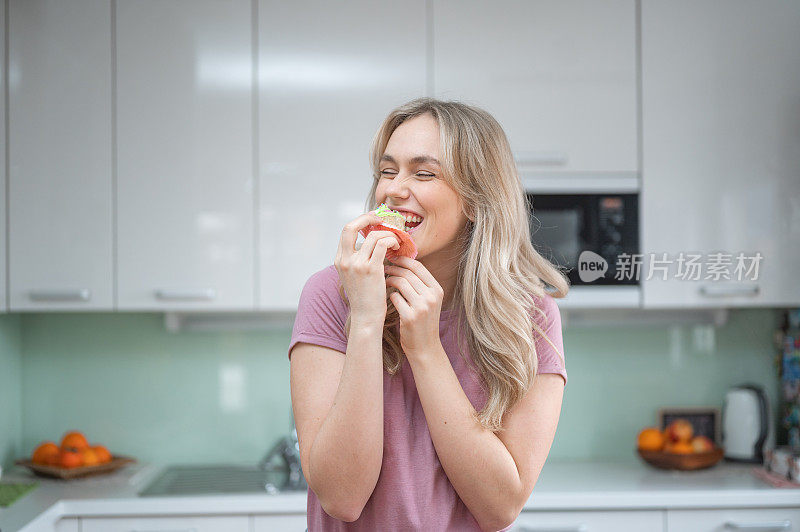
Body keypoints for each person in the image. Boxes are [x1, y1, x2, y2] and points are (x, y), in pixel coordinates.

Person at [288, 98, 569, 531]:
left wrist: (426, 350)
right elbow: (341, 498)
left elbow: (499, 508)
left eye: (424, 173)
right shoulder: (332, 293)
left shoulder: (529, 315)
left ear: (478, 200)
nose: (394, 189)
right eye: (387, 170)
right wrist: (365, 319)